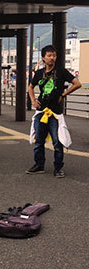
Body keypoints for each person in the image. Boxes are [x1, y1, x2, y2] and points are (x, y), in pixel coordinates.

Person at [27, 45, 81, 178]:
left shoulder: (61, 71)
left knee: (58, 141)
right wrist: (33, 101)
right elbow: (31, 87)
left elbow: (77, 83)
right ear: (43, 58)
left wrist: (63, 94)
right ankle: (39, 165)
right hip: (41, 111)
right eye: (49, 56)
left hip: (55, 113)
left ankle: (58, 168)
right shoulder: (39, 73)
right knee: (39, 140)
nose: (52, 58)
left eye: (54, 55)